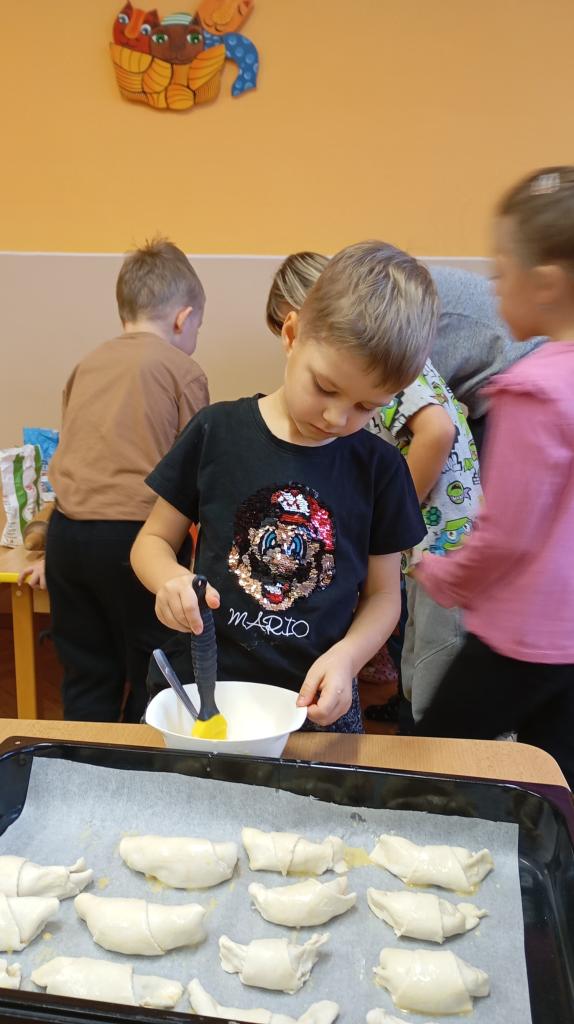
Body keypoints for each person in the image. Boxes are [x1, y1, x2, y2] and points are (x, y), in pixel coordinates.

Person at [132, 241, 437, 731]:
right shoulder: (216, 432)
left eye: (367, 407)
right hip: (204, 691)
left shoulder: (380, 469)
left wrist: (348, 658)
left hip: (313, 704)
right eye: (326, 388)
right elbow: (151, 541)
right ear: (292, 335)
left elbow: (384, 597)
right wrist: (169, 580)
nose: (337, 417)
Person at [413, 166, 574, 788]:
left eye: (501, 275)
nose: (494, 291)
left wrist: (444, 575)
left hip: (521, 637)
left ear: (546, 284)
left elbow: (507, 534)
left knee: (431, 762)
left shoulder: (534, 390)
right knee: (553, 780)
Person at [40, 238, 209, 724]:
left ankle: (83, 760)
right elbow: (199, 469)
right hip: (139, 540)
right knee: (157, 665)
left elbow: (73, 452)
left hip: (68, 538)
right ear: (183, 318)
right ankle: (143, 758)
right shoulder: (182, 371)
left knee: (86, 672)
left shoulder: (87, 364)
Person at [428, 266, 544, 453]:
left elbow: (434, 427)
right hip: (528, 371)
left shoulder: (397, 313)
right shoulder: (404, 281)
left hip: (519, 389)